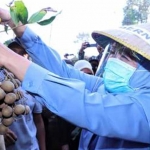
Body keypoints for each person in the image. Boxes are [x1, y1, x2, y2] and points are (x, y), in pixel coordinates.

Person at [0, 7, 150, 149]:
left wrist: (7, 57)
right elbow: (63, 72)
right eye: (112, 52)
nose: (113, 60)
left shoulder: (145, 110)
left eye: (123, 57)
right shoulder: (105, 88)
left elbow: (78, 102)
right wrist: (16, 24)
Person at [3, 40, 46, 150]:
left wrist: (42, 147)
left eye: (22, 53)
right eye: (13, 52)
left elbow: (38, 120)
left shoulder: (33, 84)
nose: (18, 56)